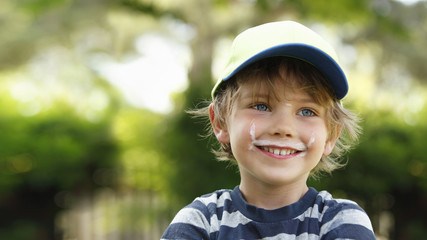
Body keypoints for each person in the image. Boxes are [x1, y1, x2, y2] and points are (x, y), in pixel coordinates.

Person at [161, 20, 376, 239]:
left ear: (331, 134)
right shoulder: (199, 222)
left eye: (307, 111)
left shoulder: (341, 221)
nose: (283, 128)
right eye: (261, 106)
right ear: (220, 122)